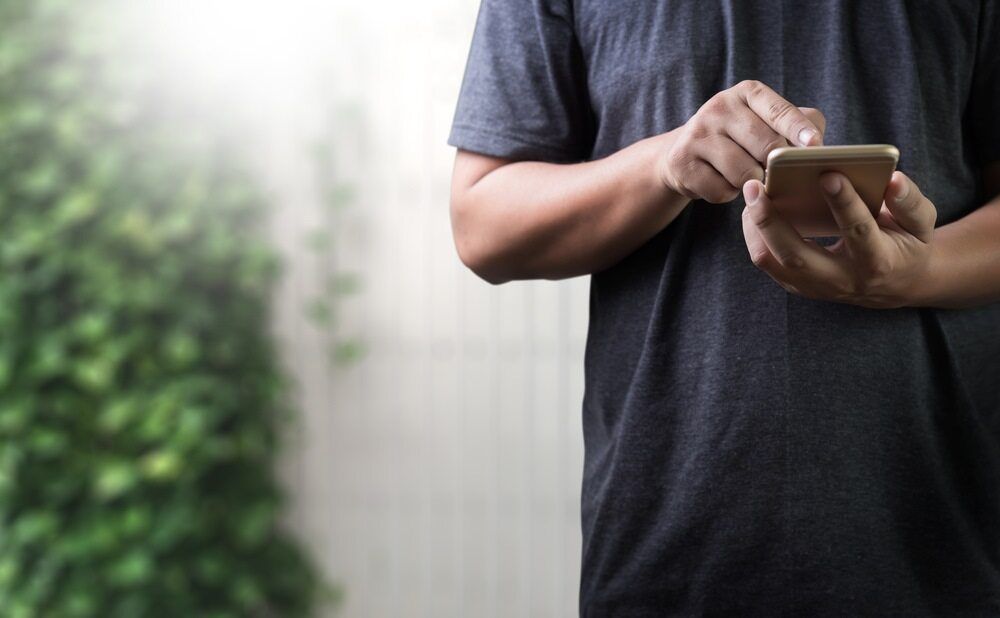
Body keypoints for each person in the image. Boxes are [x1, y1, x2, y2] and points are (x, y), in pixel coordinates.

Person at [448, 1, 1000, 615]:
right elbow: (483, 224)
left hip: (938, 537)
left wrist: (913, 273)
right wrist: (665, 166)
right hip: (663, 547)